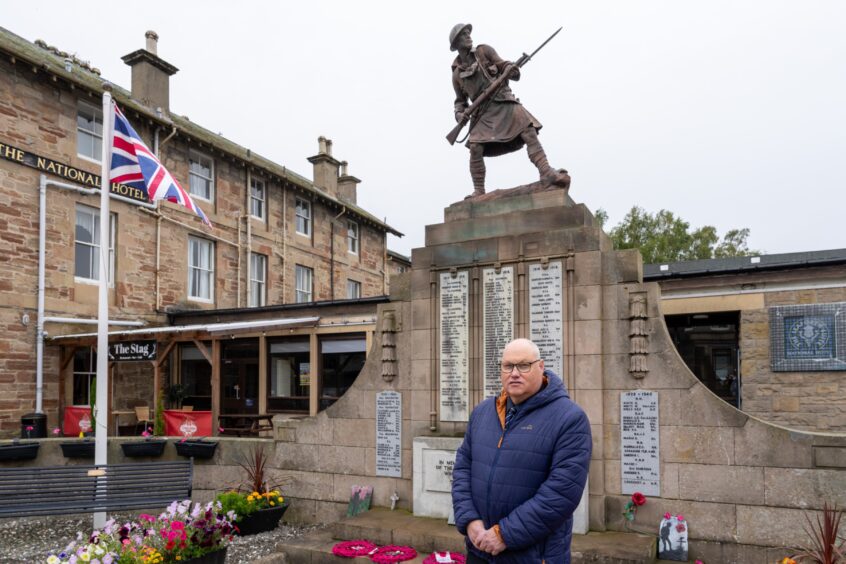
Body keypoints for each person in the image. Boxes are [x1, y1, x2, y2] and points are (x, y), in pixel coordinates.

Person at [452, 338, 592, 563]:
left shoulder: (569, 418)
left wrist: (503, 534)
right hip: (479, 550)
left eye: (524, 365)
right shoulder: (483, 412)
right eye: (508, 366)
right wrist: (469, 520)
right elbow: (462, 468)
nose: (514, 373)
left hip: (533, 555)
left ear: (541, 367)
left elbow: (561, 493)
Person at [450, 23, 570, 198]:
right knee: (475, 147)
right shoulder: (456, 74)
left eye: (468, 33)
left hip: (502, 100)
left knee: (528, 131)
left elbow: (503, 64)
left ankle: (546, 172)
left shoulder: (484, 51)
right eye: (463, 35)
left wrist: (509, 69)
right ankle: (479, 191)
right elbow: (460, 102)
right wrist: (459, 114)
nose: (468, 36)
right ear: (456, 44)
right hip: (482, 113)